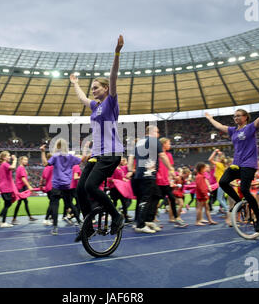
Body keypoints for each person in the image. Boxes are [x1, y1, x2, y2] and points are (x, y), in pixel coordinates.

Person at [71, 35, 126, 241]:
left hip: (111, 153)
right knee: (80, 190)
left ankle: (116, 216)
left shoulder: (111, 102)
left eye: (96, 87)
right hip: (97, 154)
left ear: (106, 89)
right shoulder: (95, 106)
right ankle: (88, 225)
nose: (93, 91)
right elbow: (82, 99)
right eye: (92, 88)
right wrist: (75, 83)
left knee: (91, 186)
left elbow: (113, 76)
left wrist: (117, 52)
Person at [205, 93, 259, 233]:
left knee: (245, 189)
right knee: (223, 182)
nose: (236, 118)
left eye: (239, 115)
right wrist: (210, 118)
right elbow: (220, 126)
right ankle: (239, 202)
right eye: (235, 116)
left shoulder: (250, 127)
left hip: (249, 164)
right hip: (236, 164)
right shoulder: (233, 130)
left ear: (245, 117)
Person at [126, 125, 175, 233]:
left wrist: (130, 169)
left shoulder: (139, 142)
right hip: (148, 174)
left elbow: (130, 157)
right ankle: (140, 225)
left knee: (155, 195)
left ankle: (147, 220)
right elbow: (162, 156)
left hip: (138, 175)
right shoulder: (153, 140)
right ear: (152, 132)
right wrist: (171, 169)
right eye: (157, 132)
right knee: (146, 199)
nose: (158, 135)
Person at [41, 140, 83, 235]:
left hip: (56, 185)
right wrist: (85, 151)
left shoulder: (55, 156)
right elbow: (81, 160)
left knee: (55, 206)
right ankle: (79, 222)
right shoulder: (70, 157)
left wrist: (43, 151)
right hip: (67, 185)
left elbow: (45, 164)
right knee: (70, 204)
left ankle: (55, 227)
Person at [12, 156, 36, 225]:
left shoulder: (21, 168)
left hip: (22, 187)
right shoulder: (21, 168)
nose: (26, 161)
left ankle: (29, 217)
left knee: (25, 202)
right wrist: (29, 186)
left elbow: (23, 177)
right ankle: (14, 219)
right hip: (21, 188)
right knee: (20, 203)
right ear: (21, 161)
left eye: (27, 160)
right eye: (25, 160)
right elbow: (23, 179)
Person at [0, 151, 17, 228]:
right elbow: (13, 167)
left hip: (3, 187)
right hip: (6, 187)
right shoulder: (5, 164)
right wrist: (15, 160)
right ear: (4, 157)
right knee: (8, 204)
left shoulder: (1, 166)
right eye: (8, 156)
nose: (10, 157)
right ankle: (1, 219)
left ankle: (1, 219)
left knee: (7, 204)